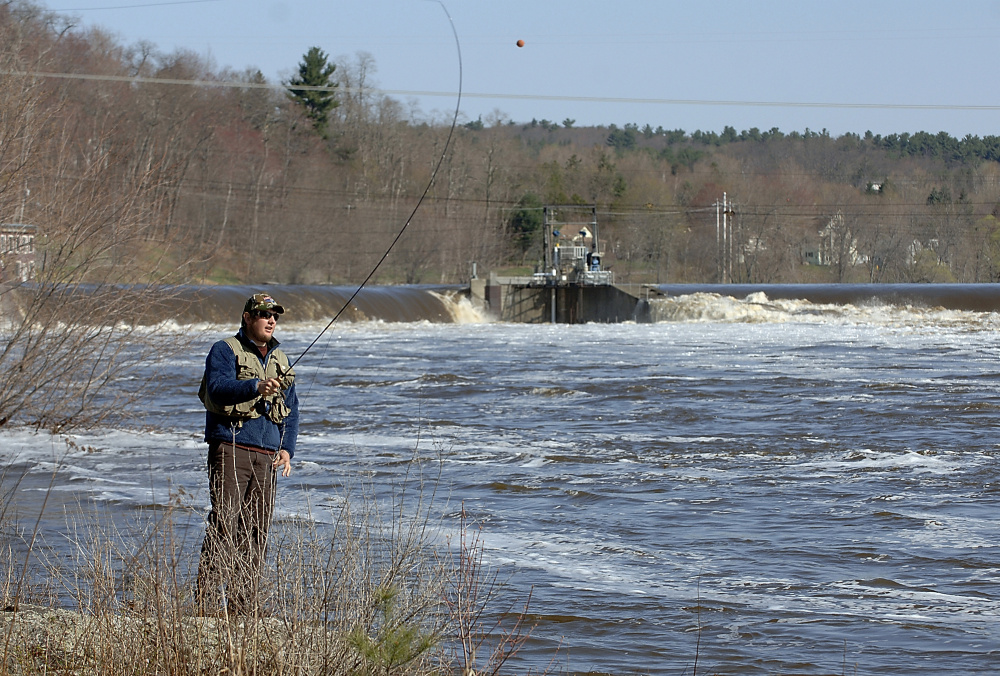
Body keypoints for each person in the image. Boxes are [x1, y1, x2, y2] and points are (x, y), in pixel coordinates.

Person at [196, 292, 299, 615]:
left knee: (255, 532)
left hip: (267, 455)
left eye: (275, 317)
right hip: (231, 446)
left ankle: (243, 607)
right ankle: (207, 606)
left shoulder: (282, 358)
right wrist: (255, 386)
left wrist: (287, 448)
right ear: (247, 317)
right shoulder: (224, 349)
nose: (271, 321)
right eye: (264, 314)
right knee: (225, 524)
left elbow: (292, 409)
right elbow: (217, 388)